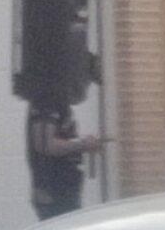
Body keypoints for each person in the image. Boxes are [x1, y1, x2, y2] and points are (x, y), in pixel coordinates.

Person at [28, 89, 108, 221]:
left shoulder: (57, 104)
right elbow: (45, 145)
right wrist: (83, 144)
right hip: (54, 192)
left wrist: (81, 143)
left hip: (64, 190)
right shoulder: (47, 103)